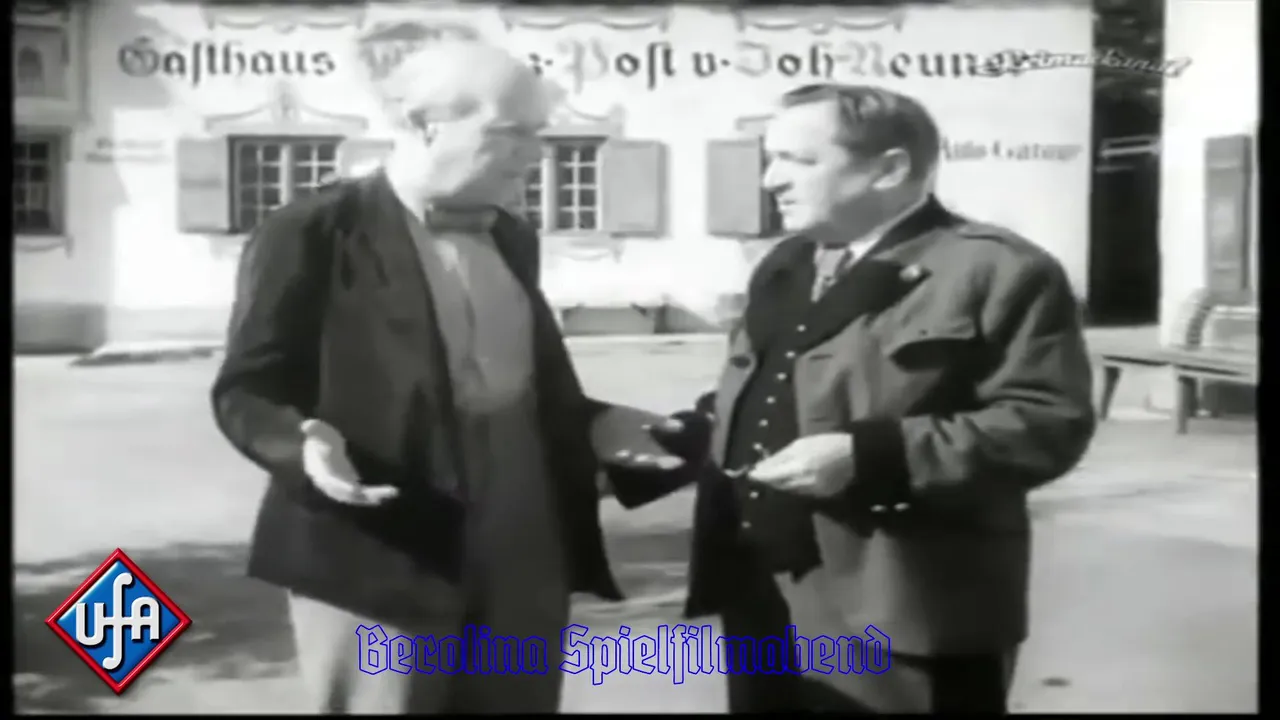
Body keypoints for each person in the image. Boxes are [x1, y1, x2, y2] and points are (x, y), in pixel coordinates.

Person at [210, 39, 696, 714]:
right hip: (383, 530)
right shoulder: (313, 228)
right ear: (423, 124)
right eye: (512, 132)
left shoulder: (512, 234)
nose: (536, 153)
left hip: (526, 525)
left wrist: (595, 422)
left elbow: (516, 379)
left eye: (539, 133)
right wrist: (301, 444)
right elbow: (246, 387)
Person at [648, 83, 1097, 713]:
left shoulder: (997, 270)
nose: (772, 181)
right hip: (762, 591)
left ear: (889, 169)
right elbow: (773, 387)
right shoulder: (787, 264)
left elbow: (1046, 423)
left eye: (799, 160)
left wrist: (871, 456)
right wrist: (683, 436)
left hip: (903, 601)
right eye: (770, 159)